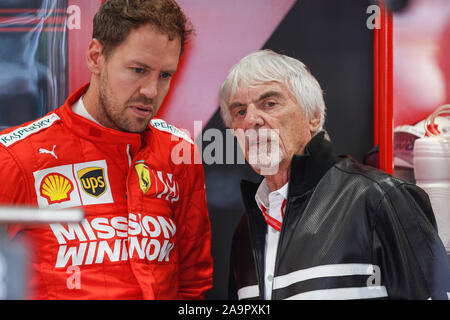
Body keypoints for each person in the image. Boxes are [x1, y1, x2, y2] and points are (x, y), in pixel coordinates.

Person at [0, 0, 212, 300]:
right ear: (96, 57)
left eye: (165, 75)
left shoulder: (179, 153)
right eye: (138, 70)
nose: (151, 91)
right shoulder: (15, 157)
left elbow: (192, 286)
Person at [220, 49, 450, 300]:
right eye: (240, 111)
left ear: (313, 117)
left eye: (270, 103)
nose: (251, 120)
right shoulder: (246, 230)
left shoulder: (380, 198)